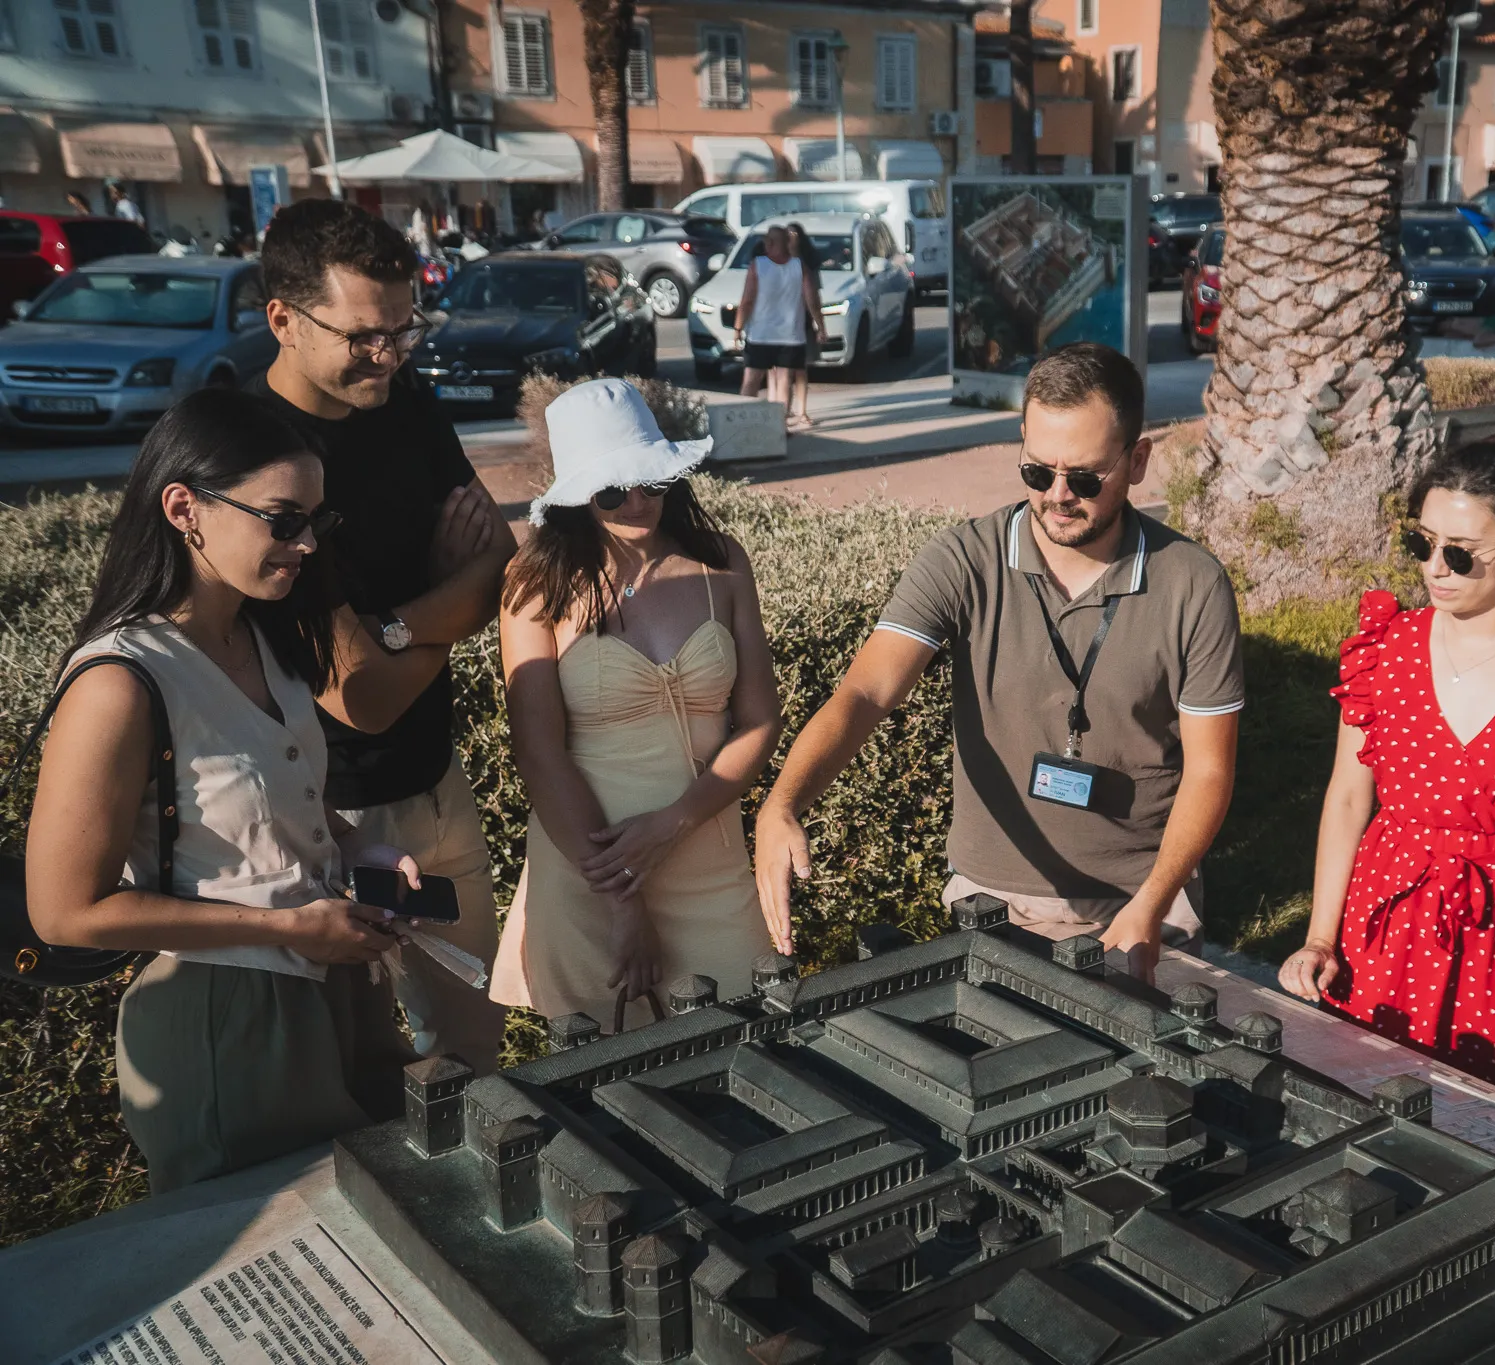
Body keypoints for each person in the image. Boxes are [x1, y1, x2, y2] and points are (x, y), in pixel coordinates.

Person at [24, 389, 424, 1192]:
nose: (308, 543)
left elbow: (269, 819)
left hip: (333, 988)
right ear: (184, 508)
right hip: (226, 1019)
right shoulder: (120, 681)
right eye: (284, 519)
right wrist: (292, 924)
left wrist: (359, 850)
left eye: (318, 520)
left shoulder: (262, 634)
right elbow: (64, 911)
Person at [755, 343, 1243, 985]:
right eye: (1038, 472)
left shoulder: (1192, 583)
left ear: (1139, 460)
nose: (1059, 496)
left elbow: (1210, 769)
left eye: (1086, 478)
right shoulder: (965, 559)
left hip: (1141, 904)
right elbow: (868, 691)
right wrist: (783, 801)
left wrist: (1152, 902)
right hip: (992, 903)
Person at [1279, 437, 1495, 1110]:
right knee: (1368, 1120)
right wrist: (1320, 936)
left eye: (1462, 553)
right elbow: (1349, 799)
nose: (1435, 569)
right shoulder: (1384, 648)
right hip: (1386, 926)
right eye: (1423, 543)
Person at [252, 199, 516, 1073]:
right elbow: (358, 696)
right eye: (366, 335)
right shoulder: (254, 460)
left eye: (406, 329)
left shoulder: (408, 408)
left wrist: (394, 627)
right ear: (283, 320)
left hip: (440, 784)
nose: (391, 354)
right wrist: (446, 604)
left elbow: (500, 565)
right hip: (332, 820)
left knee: (473, 1056)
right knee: (363, 1078)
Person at [492, 380, 778, 1028]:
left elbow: (761, 720)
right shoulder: (535, 584)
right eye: (614, 490)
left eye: (650, 479)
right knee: (608, 1095)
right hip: (590, 876)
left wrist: (677, 819)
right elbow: (539, 754)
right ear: (576, 497)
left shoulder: (721, 562)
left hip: (709, 857)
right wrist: (623, 898)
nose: (639, 500)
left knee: (749, 1057)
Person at [734, 226, 822, 412]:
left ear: (770, 243)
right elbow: (812, 300)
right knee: (784, 381)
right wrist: (820, 326)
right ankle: (781, 424)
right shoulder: (800, 266)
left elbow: (747, 300)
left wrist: (738, 328)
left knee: (751, 380)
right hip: (790, 336)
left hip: (761, 335)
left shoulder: (757, 266)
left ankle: (743, 420)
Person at [784, 222, 824, 432]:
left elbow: (814, 297)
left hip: (801, 323)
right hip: (780, 326)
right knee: (782, 373)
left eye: (794, 234)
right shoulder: (773, 262)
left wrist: (819, 324)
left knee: (798, 371)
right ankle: (786, 411)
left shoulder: (806, 264)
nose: (791, 238)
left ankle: (801, 411)